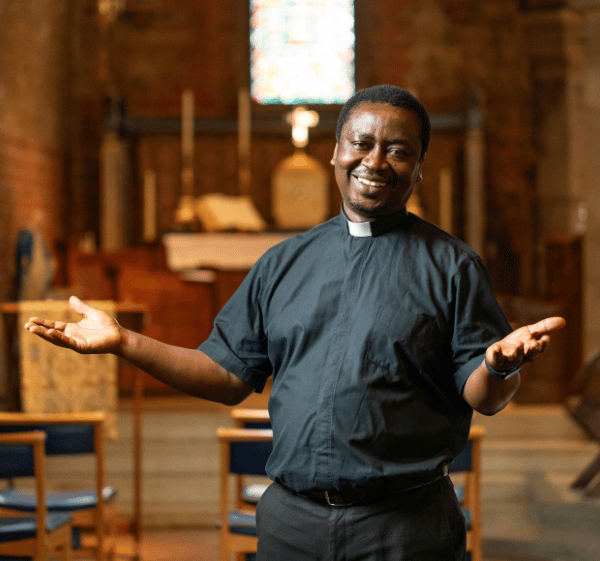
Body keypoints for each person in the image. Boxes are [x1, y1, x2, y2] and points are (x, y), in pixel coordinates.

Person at [25, 85, 565, 560]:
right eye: (361, 143)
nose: (374, 161)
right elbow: (226, 375)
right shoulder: (284, 263)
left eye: (398, 151)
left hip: (405, 527)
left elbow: (484, 396)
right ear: (336, 152)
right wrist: (125, 343)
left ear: (419, 167)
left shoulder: (451, 266)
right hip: (292, 524)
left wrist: (498, 366)